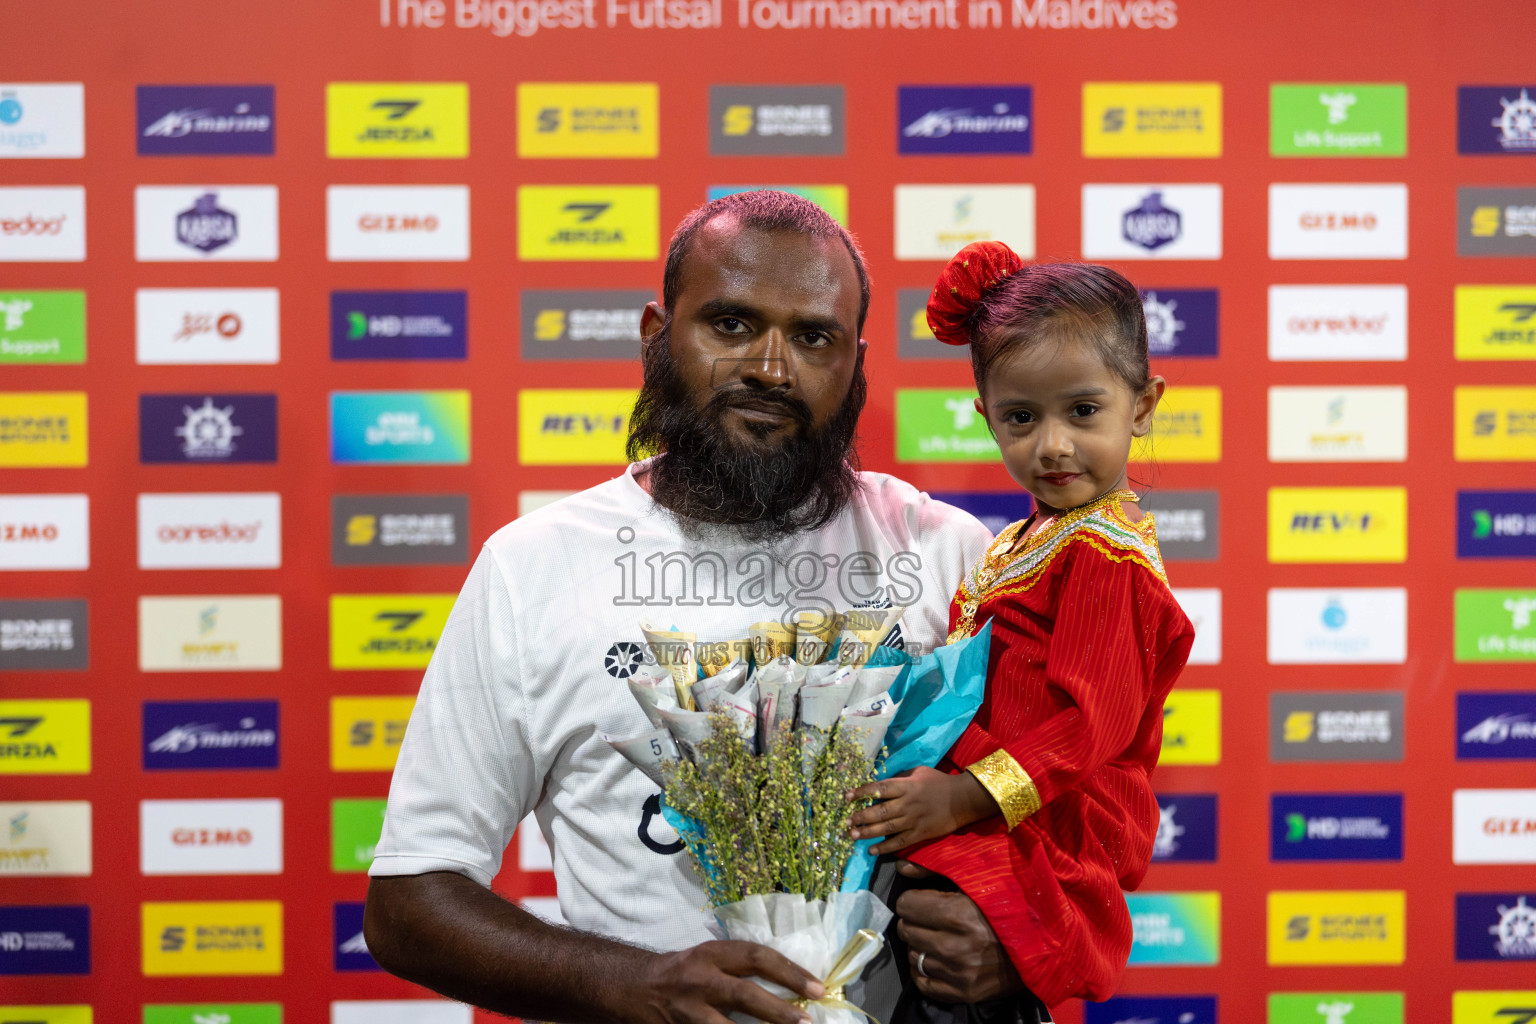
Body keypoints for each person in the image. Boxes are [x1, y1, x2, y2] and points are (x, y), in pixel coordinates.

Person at [363, 191, 1013, 1024]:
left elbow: (1060, 803)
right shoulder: (534, 567)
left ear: (856, 363)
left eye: (812, 337)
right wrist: (629, 983)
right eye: (731, 325)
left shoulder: (947, 555)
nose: (771, 368)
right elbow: (410, 900)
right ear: (655, 337)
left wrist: (1016, 936)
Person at [847, 241, 1197, 1011]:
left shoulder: (1107, 559)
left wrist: (964, 798)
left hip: (1040, 832)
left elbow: (1084, 729)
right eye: (1020, 417)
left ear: (1142, 404)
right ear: (984, 416)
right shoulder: (1027, 538)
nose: (1053, 445)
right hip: (996, 820)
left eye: (1082, 410)